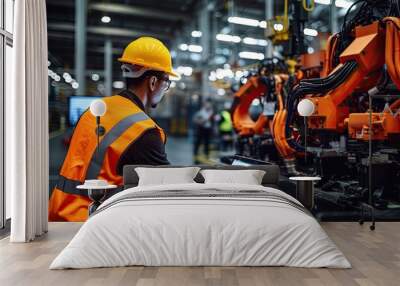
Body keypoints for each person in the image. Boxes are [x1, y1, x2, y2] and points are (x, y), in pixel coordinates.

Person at [49, 37, 176, 221]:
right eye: (167, 82)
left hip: (58, 216)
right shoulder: (144, 131)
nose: (166, 89)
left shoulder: (94, 110)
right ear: (153, 82)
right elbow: (168, 185)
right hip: (92, 225)